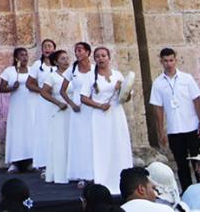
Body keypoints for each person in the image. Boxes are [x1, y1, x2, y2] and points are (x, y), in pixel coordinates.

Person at [149, 48, 200, 192]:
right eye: (166, 61)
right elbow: (158, 109)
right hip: (175, 129)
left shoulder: (187, 78)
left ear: (176, 60)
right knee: (181, 165)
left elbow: (196, 100)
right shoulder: (158, 83)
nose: (169, 64)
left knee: (197, 162)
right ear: (161, 61)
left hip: (191, 126)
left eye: (171, 60)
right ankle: (187, 192)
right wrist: (160, 131)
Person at [85, 47, 132, 193]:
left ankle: (122, 181)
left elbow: (126, 96)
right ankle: (103, 182)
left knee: (119, 145)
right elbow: (83, 98)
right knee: (102, 148)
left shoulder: (117, 75)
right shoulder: (90, 77)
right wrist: (99, 105)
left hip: (116, 114)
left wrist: (121, 89)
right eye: (97, 56)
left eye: (103, 56)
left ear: (109, 58)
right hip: (100, 117)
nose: (101, 59)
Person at [40, 49, 74, 184]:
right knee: (60, 140)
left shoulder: (72, 74)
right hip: (60, 109)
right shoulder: (52, 76)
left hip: (73, 108)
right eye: (62, 59)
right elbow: (44, 92)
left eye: (67, 58)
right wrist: (58, 103)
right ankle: (60, 172)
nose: (66, 61)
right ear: (56, 62)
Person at [0, 47, 34, 172]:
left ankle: (31, 159)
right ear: (16, 58)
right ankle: (15, 161)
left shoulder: (32, 70)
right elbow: (1, 88)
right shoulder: (9, 71)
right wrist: (11, 88)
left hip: (30, 105)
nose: (24, 57)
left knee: (30, 131)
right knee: (17, 131)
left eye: (26, 55)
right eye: (21, 55)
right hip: (17, 106)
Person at [66, 42, 96, 185]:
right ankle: (81, 174)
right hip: (78, 109)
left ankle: (95, 171)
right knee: (80, 141)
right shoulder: (72, 70)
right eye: (76, 51)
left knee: (93, 139)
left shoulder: (95, 69)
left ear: (88, 52)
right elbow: (62, 90)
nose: (77, 53)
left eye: (80, 50)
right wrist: (72, 104)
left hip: (92, 107)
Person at [26, 39, 58, 168]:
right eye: (45, 46)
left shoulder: (59, 64)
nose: (47, 48)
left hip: (57, 100)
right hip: (44, 102)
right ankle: (44, 161)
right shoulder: (37, 65)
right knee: (44, 129)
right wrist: (43, 90)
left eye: (50, 46)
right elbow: (29, 84)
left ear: (54, 49)